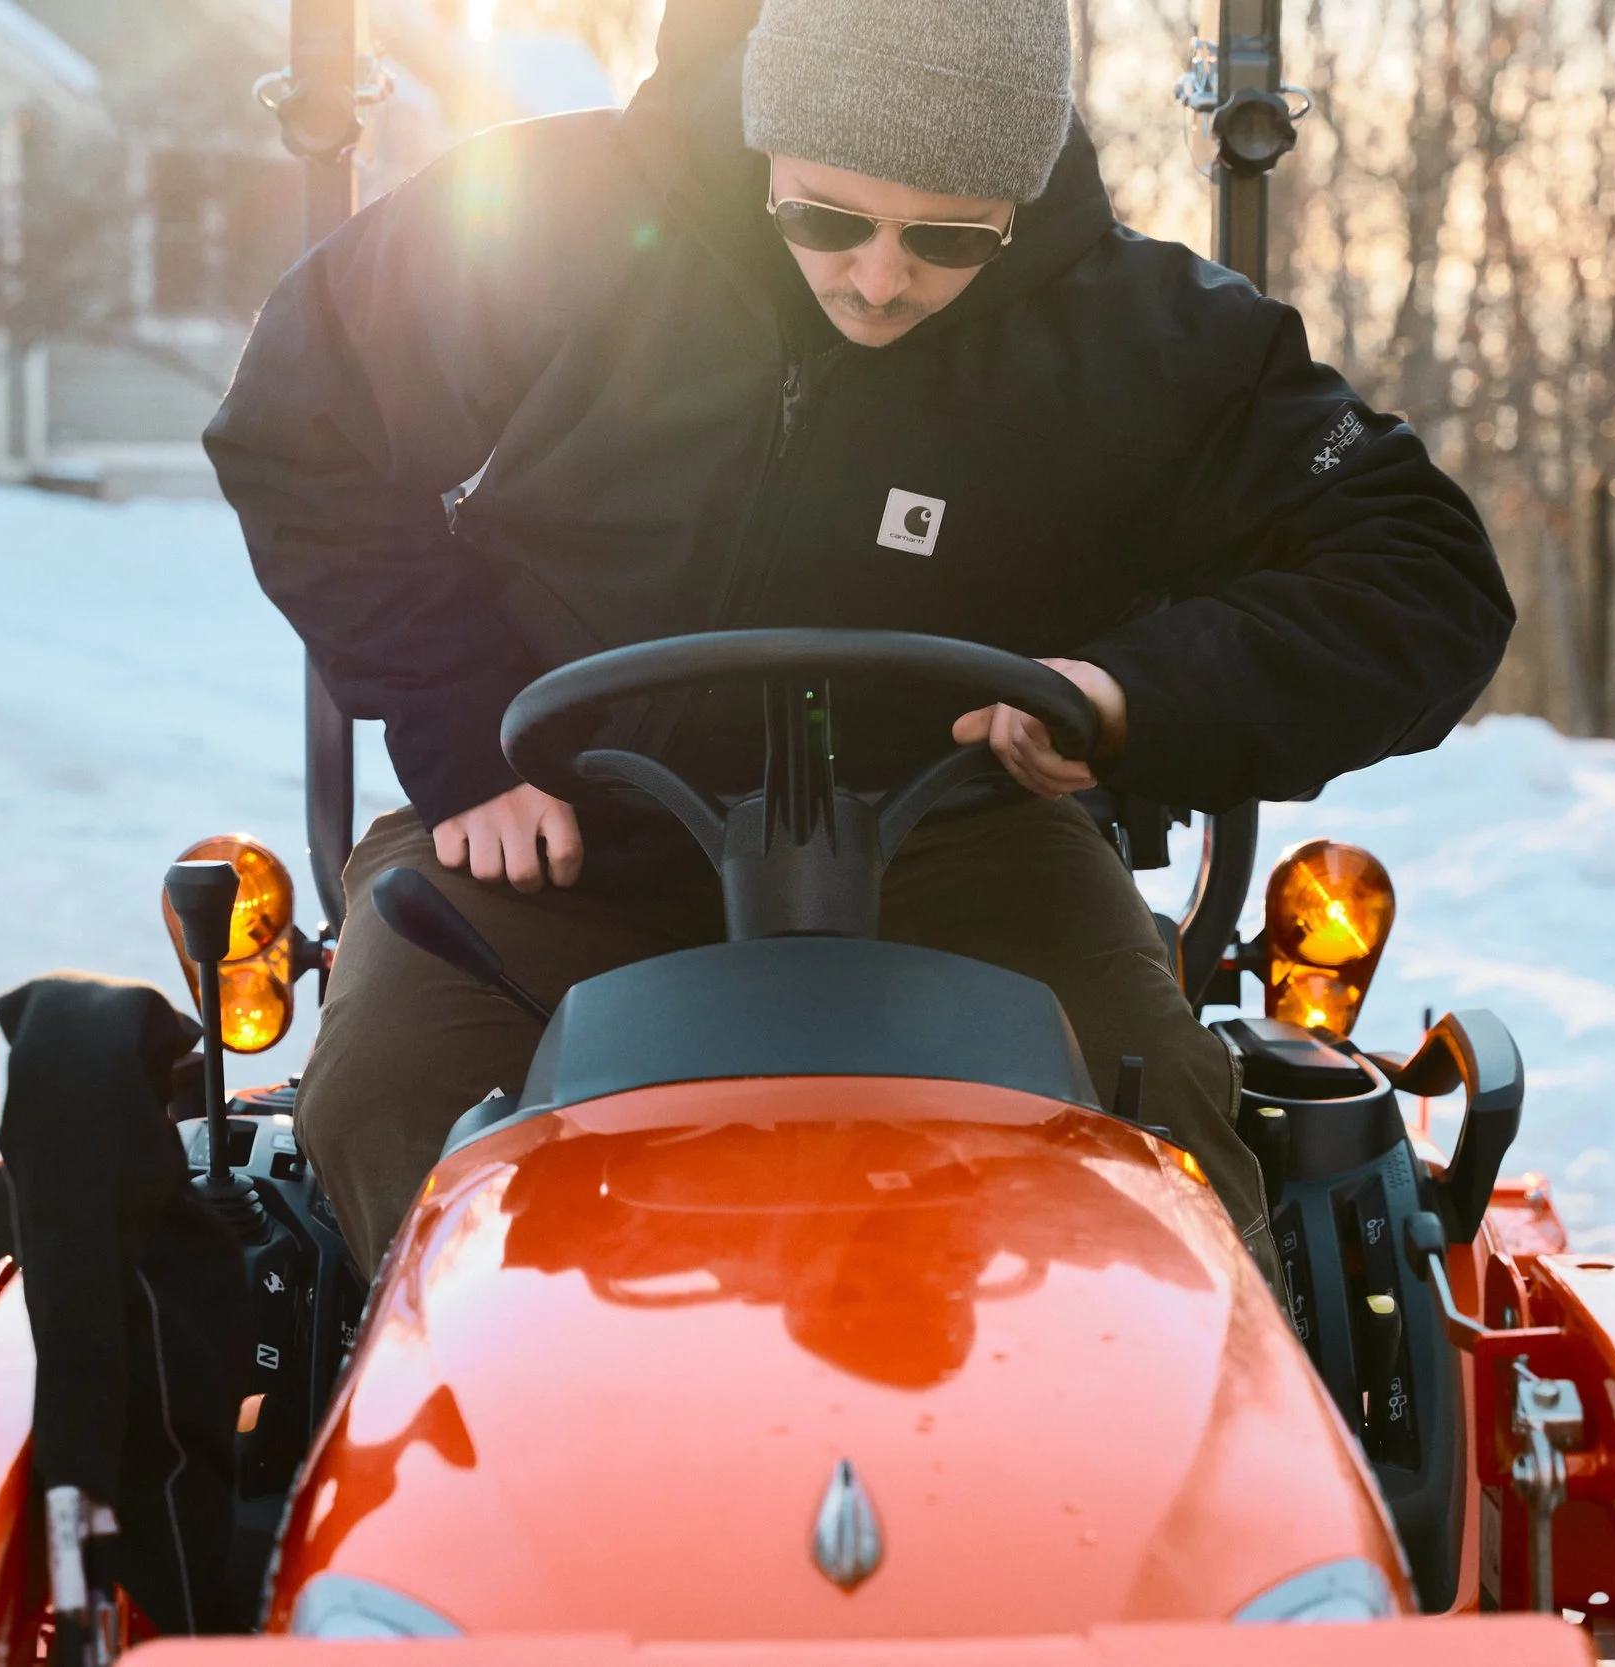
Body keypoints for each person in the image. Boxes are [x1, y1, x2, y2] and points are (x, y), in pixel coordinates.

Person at [204, 0, 1513, 1278]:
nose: (881, 280)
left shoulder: (1139, 339)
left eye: (951, 242)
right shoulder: (556, 226)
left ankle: (1173, 1470)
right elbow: (295, 426)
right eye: (828, 220)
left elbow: (1428, 576)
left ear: (1022, 201)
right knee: (387, 1082)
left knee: (1155, 1116)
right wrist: (460, 728)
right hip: (566, 835)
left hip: (960, 846)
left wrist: (1131, 697)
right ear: (763, 145)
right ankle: (477, 1455)